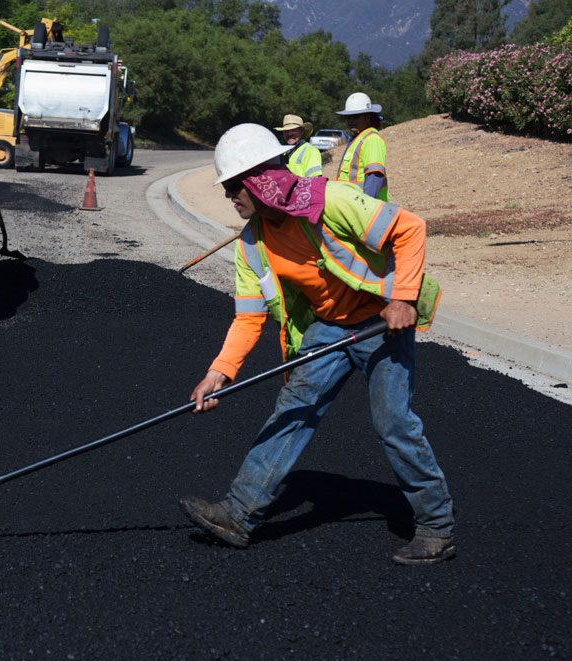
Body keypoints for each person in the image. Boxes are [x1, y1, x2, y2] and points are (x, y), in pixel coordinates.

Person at [179, 123, 455, 566]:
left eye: (233, 187)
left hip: (379, 322)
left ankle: (436, 526)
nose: (229, 197)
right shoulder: (252, 243)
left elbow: (410, 228)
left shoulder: (334, 202)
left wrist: (402, 298)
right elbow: (249, 317)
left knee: (393, 424)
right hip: (328, 327)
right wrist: (219, 372)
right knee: (292, 411)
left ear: (260, 180)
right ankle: (239, 513)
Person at [335, 92, 387, 201]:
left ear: (368, 117)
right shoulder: (358, 138)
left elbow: (374, 177)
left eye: (356, 117)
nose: (351, 121)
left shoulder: (371, 139)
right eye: (348, 117)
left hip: (363, 210)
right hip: (351, 206)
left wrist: (365, 207)